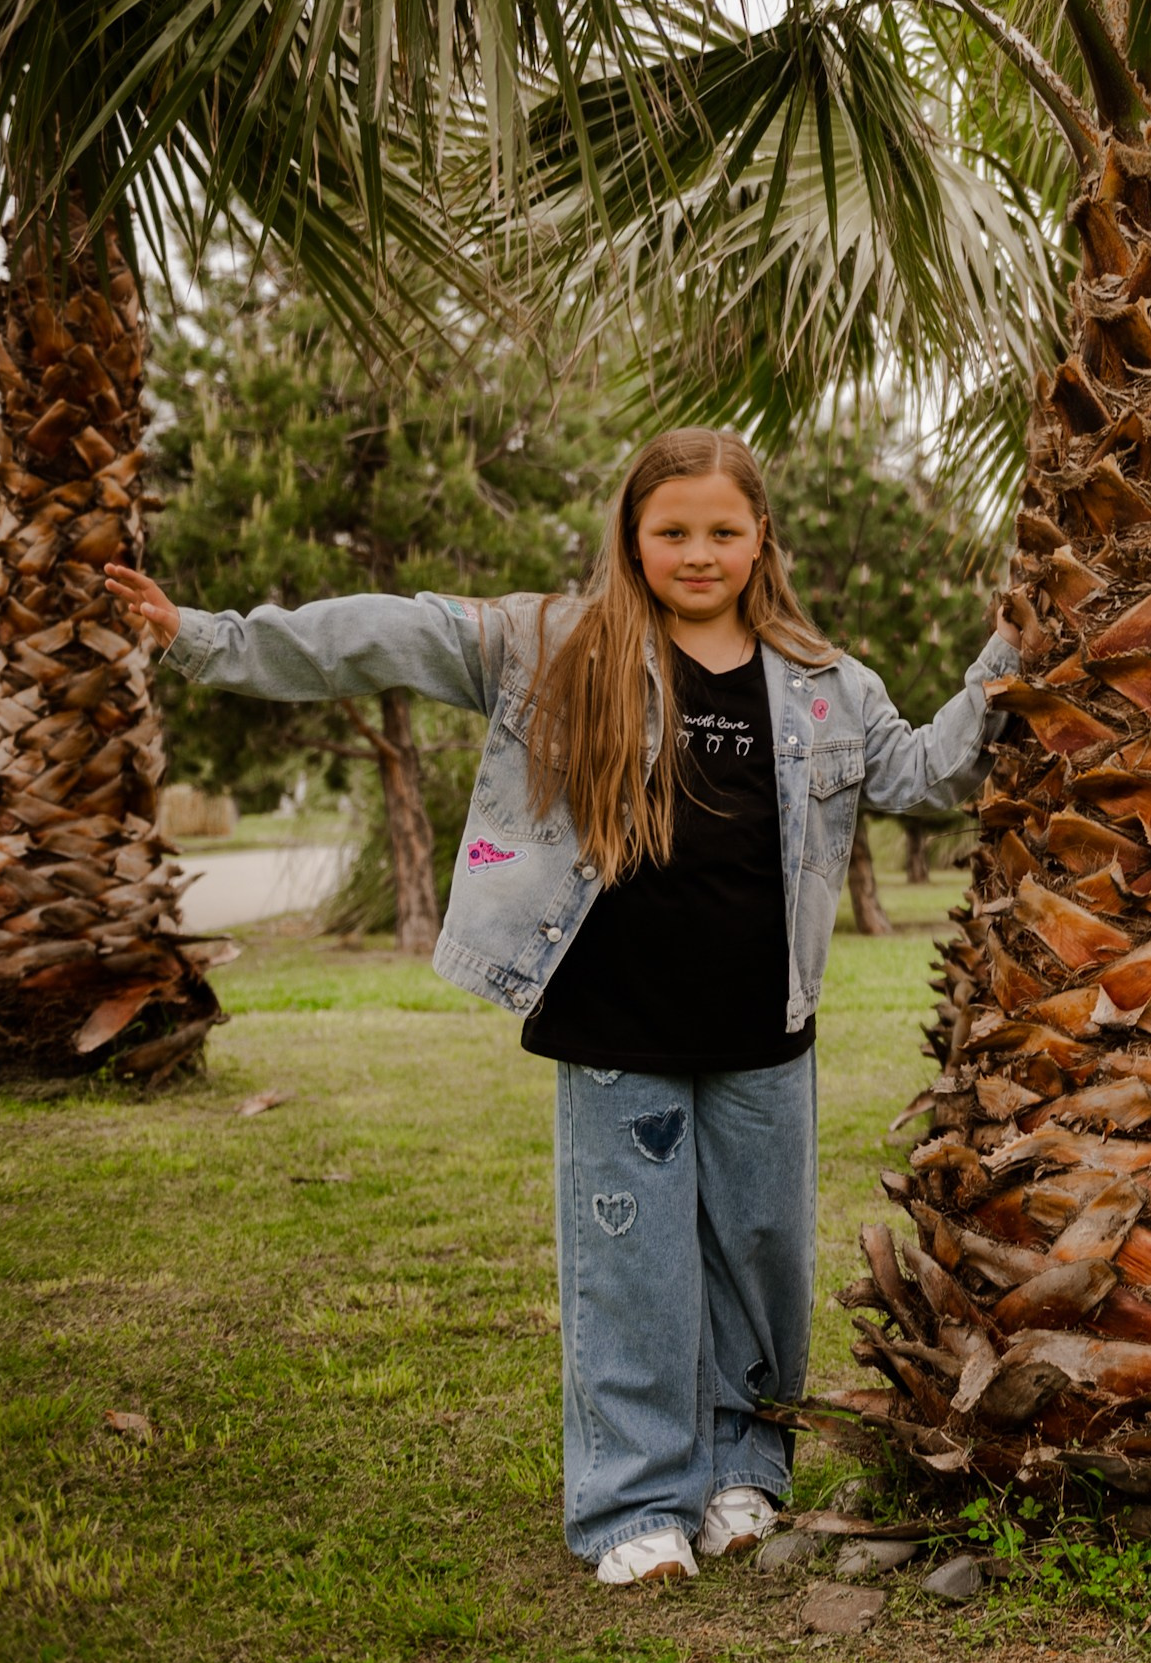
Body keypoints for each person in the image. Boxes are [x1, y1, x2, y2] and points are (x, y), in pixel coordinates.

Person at [107, 427, 1029, 1587]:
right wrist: (206, 638)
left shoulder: (827, 685)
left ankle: (742, 1475)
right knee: (631, 1266)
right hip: (613, 1025)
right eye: (671, 531)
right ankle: (633, 1504)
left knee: (759, 1261)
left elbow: (930, 773)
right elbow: (389, 631)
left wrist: (1012, 640)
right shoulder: (554, 647)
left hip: (763, 1028)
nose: (698, 553)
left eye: (722, 531)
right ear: (633, 539)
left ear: (760, 540)